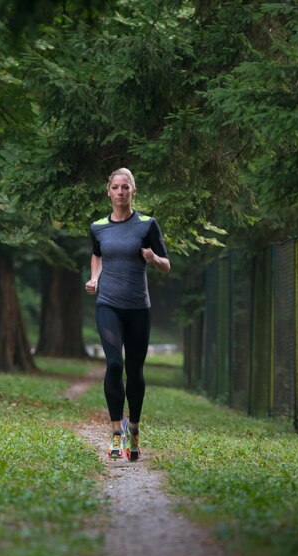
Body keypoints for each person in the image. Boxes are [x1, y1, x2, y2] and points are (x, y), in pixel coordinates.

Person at [85, 167, 170, 461]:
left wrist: (153, 257)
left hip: (138, 309)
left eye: (125, 188)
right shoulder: (98, 227)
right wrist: (95, 278)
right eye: (115, 188)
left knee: (134, 371)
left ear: (133, 192)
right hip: (107, 304)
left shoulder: (147, 225)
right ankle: (116, 433)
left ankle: (134, 429)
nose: (120, 193)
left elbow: (166, 265)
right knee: (113, 365)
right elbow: (97, 254)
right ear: (108, 192)